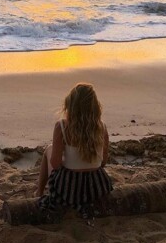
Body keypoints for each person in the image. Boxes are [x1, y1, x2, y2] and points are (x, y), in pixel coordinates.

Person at [36, 83, 113, 216]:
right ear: (95, 106)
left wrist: (71, 164)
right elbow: (103, 161)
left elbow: (55, 164)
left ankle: (39, 192)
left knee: (48, 150)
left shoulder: (62, 126)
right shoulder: (102, 127)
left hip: (70, 191)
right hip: (96, 188)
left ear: (70, 105)